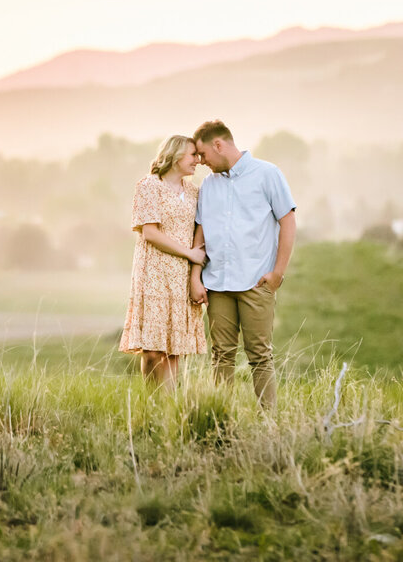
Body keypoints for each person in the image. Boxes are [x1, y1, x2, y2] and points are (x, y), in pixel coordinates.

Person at [189, 120, 296, 410]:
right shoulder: (208, 185)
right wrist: (195, 276)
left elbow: (287, 221)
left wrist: (277, 274)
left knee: (260, 355)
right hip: (218, 284)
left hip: (255, 282)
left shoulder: (267, 174)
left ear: (218, 145)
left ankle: (268, 425)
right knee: (221, 356)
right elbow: (201, 231)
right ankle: (219, 421)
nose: (200, 162)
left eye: (202, 154)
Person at [119, 135, 208, 390]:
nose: (198, 161)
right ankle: (151, 402)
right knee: (153, 349)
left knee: (173, 349)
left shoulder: (194, 192)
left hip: (181, 275)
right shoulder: (149, 186)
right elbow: (150, 232)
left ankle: (168, 408)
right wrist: (189, 253)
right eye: (193, 155)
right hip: (154, 271)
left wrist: (195, 272)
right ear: (176, 154)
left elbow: (200, 230)